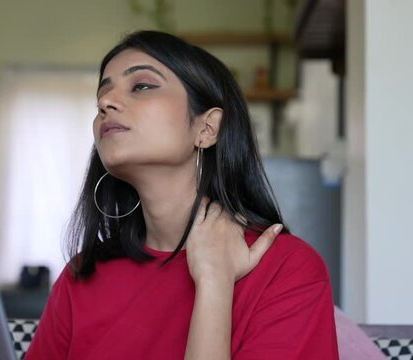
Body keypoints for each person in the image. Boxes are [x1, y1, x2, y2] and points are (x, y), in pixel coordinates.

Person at [25, 30, 338, 360]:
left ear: (206, 128)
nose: (105, 103)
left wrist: (214, 283)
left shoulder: (287, 270)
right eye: (101, 96)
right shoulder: (80, 278)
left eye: (142, 86)